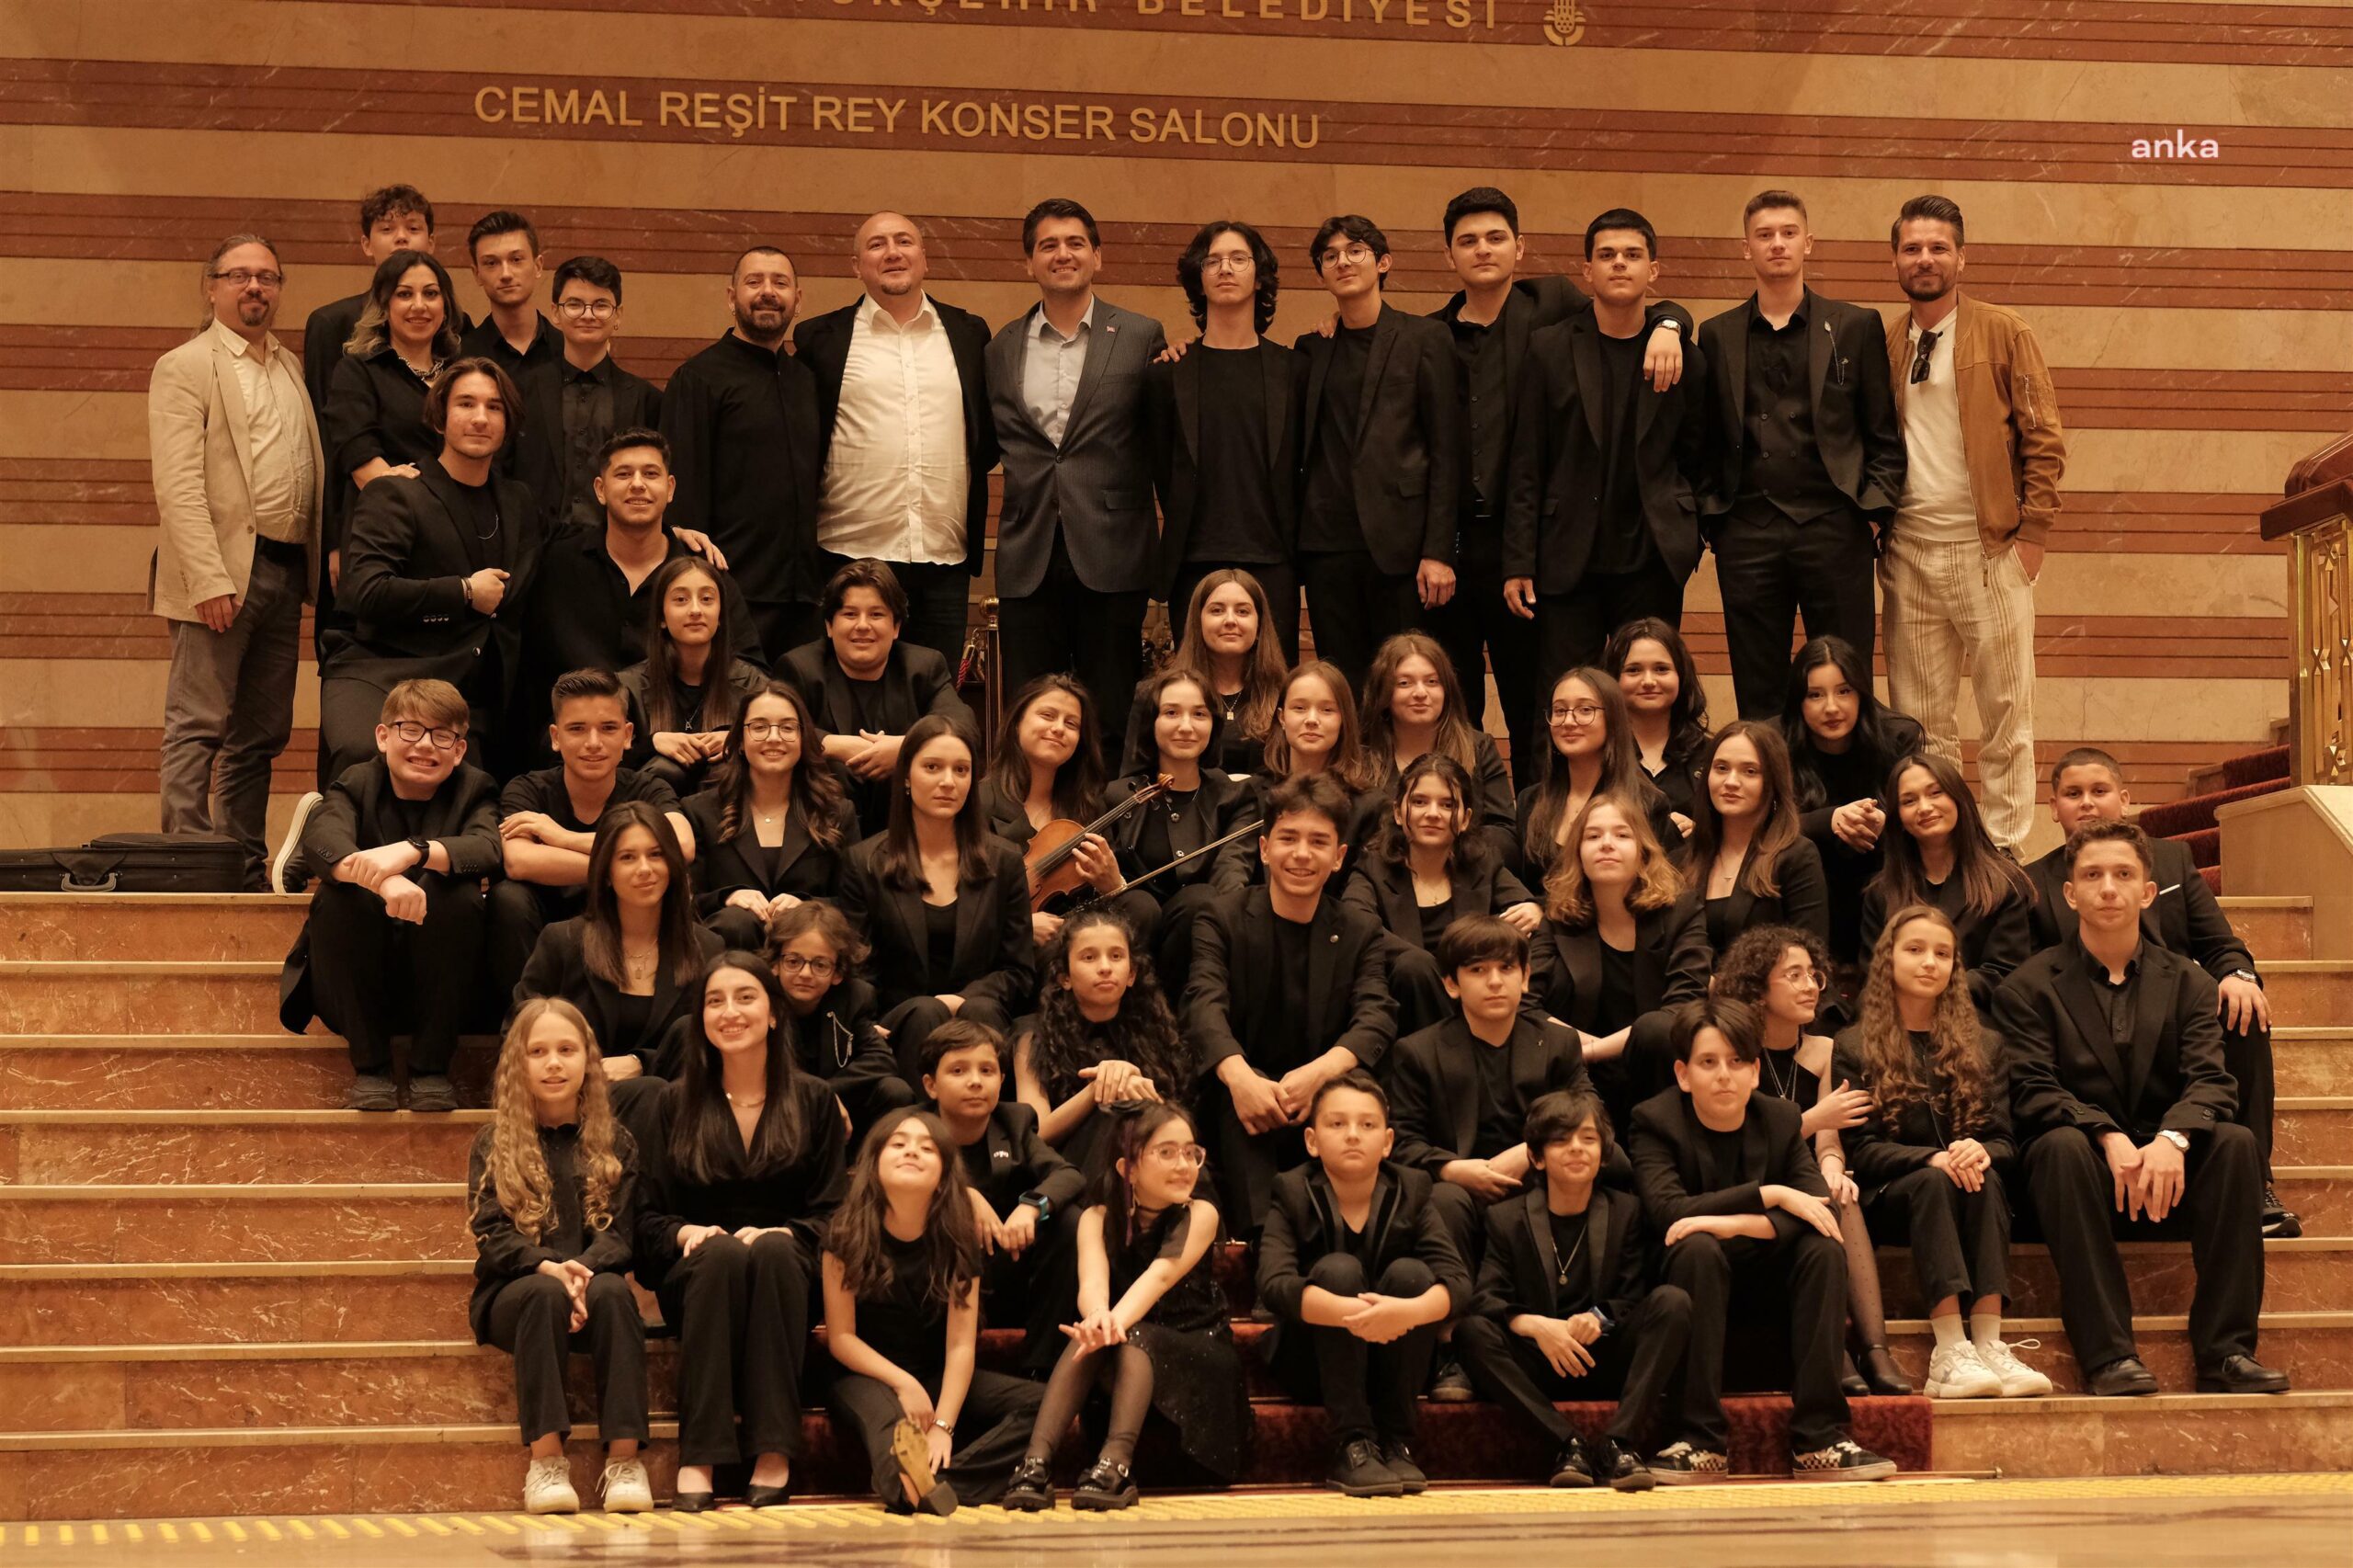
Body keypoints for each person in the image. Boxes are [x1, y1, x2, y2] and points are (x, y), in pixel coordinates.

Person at [1995, 821, 2289, 1399]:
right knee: (2057, 1145)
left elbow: (2212, 1081)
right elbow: (2032, 1088)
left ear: (2148, 892)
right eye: (2092, 875)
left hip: (2166, 1180)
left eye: (2123, 874)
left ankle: (2226, 1352)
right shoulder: (2027, 987)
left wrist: (2172, 1140)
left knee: (2235, 1143)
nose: (2108, 887)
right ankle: (2108, 1356)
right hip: (2080, 1181)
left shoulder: (2191, 982)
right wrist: (2107, 1136)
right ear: (2069, 894)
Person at [1434, 189, 1688, 782]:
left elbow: (1636, 296)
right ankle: (1533, 818)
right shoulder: (1441, 335)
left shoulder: (1550, 305)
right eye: (1468, 241)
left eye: (1495, 238)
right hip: (1530, 552)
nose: (1483, 250)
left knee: (1629, 695)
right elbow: (1528, 458)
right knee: (1543, 702)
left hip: (1625, 548)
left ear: (1520, 247)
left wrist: (1672, 321)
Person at [1630, 997, 1898, 1483]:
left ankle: (1820, 1438)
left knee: (1822, 1248)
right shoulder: (1655, 1121)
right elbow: (1668, 1213)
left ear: (1755, 1072)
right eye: (1708, 1062)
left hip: (1766, 1281)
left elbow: (1822, 1210)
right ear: (1683, 1074)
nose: (1724, 1076)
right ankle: (1698, 1439)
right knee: (1697, 1247)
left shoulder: (1778, 1117)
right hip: (1690, 1285)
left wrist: (1733, 1223)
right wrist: (1770, 1194)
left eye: (1737, 1062)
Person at [2028, 747, 2293, 1234]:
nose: (2087, 803)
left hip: (2175, 1019)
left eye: (2099, 791)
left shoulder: (2172, 860)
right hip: (2091, 1030)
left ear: (2125, 799)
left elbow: (2220, 944)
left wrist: (2238, 976)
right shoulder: (2034, 881)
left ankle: (2254, 1182)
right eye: (2073, 794)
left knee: (2245, 1011)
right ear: (2054, 807)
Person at [1881, 195, 2066, 853]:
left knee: (2006, 714)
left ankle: (2008, 851)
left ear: (1962, 257)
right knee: (1919, 724)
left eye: (1938, 247)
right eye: (1912, 248)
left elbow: (2044, 439)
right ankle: (1942, 855)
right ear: (1895, 259)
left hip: (1990, 551)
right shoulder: (1887, 341)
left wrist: (2032, 536)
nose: (1924, 259)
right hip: (1908, 552)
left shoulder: (2003, 331)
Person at [634, 953, 850, 1508]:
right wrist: (687, 1234)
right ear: (701, 1019)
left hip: (786, 1274)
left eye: (745, 997)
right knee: (721, 1255)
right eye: (715, 1001)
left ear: (774, 1013)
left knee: (774, 1252)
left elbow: (834, 1213)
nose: (730, 1011)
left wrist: (788, 1234)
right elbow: (648, 1219)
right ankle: (700, 1456)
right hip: (700, 1278)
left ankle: (773, 1452)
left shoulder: (814, 1100)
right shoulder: (672, 1102)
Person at [152, 232, 321, 888]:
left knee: (262, 734)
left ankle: (242, 867)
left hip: (283, 570)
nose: (255, 287)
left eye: (267, 277)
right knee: (198, 725)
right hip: (220, 577)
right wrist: (207, 578)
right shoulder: (185, 366)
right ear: (211, 286)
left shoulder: (289, 365)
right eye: (239, 275)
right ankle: (185, 867)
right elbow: (179, 486)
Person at [1696, 190, 1905, 720]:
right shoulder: (1716, 335)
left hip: (1835, 527)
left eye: (1788, 233)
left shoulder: (1855, 326)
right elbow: (1703, 437)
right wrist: (1715, 520)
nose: (1777, 244)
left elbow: (1882, 433)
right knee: (1758, 687)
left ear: (1808, 243)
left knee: (1846, 682)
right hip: (1747, 532)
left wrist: (1873, 514)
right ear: (1746, 248)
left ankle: (1849, 777)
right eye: (1764, 235)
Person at [1833, 906, 2050, 1399]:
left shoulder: (1985, 1045)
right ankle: (1949, 1350)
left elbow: (2005, 1140)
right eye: (1915, 950)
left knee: (1984, 1175)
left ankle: (1990, 1344)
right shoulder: (1853, 1045)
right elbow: (1861, 1151)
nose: (1930, 962)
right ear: (1888, 959)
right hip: (1890, 1200)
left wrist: (1979, 1149)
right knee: (1936, 1178)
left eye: (1943, 953)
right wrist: (1929, 1158)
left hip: (1966, 1195)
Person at [986, 199, 1168, 756]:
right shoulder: (1000, 347)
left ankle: (1110, 811)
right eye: (1048, 245)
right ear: (1029, 263)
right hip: (1028, 552)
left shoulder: (1141, 335)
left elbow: (1163, 442)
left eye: (1075, 243)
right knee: (1028, 714)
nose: (1062, 254)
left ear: (1097, 257)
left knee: (1110, 714)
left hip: (1113, 550)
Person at [1001, 1104, 1250, 1510]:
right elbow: (1093, 1284)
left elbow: (1160, 1277)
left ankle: (1115, 1465)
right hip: (1127, 1353)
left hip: (1198, 1356)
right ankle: (1034, 1465)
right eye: (1166, 1152)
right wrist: (1098, 1317)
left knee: (1123, 1335)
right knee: (1093, 1334)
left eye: (1191, 1152)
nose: (1184, 1165)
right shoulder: (1096, 1217)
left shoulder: (1201, 1213)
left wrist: (1108, 1325)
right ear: (1127, 1168)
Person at [1504, 207, 1707, 689]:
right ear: (1587, 270)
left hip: (1653, 559)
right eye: (1607, 254)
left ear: (1653, 270)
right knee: (1567, 694)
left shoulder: (1684, 358)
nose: (1619, 263)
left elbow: (1700, 455)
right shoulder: (1549, 349)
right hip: (1567, 558)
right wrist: (1518, 561)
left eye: (1632, 255)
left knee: (1648, 694)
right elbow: (1527, 461)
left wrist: (1690, 531)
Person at [1385, 914, 1587, 1392]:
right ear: (1451, 985)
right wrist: (1454, 1169)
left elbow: (1588, 1115)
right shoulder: (1418, 1051)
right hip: (1460, 1191)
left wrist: (1530, 1152)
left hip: (1536, 1178)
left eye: (1505, 968)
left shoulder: (1558, 1042)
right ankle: (1452, 1347)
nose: (1494, 981)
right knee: (1443, 1200)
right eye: (1477, 970)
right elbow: (1402, 1141)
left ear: (1525, 977)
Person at [1186, 773, 1397, 1231]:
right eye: (1288, 838)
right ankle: (1264, 1244)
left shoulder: (1359, 929)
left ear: (1338, 857)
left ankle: (1346, 1235)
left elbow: (1376, 1015)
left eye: (1318, 842)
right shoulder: (1221, 918)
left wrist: (1321, 1073)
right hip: (1242, 1095)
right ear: (1264, 849)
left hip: (1322, 1088)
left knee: (1356, 1096)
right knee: (1234, 1099)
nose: (1302, 854)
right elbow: (1203, 1005)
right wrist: (1240, 1077)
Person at [466, 998, 652, 1514]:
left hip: (595, 1287)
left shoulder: (616, 1142)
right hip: (516, 1295)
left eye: (567, 1050)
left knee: (615, 1293)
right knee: (544, 1293)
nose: (553, 1063)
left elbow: (621, 1235)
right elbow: (492, 1235)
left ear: (588, 1061)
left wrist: (582, 1273)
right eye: (538, 1051)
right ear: (518, 1065)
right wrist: (550, 1266)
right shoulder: (493, 1143)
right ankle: (546, 1462)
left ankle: (625, 1461)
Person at [318, 355, 540, 782]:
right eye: (466, 404)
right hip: (389, 675)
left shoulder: (519, 501)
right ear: (440, 418)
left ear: (508, 424)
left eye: (494, 407)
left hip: (480, 691)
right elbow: (365, 591)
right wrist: (463, 592)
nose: (480, 418)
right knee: (369, 759)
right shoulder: (397, 492)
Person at [279, 678, 498, 1112]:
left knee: (457, 895)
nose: (425, 745)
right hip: (357, 981)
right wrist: (383, 882)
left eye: (442, 736)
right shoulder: (356, 781)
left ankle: (431, 1068)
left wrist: (412, 852)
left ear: (459, 750)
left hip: (443, 986)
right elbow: (322, 842)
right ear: (383, 737)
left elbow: (488, 848)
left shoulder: (476, 788)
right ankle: (370, 1067)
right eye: (410, 730)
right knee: (338, 898)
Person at [1455, 1089, 1688, 1491]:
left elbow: (1632, 1294)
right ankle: (1567, 1444)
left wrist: (1598, 1318)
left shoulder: (1627, 1211)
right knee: (1470, 1332)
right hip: (1539, 1361)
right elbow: (1487, 1297)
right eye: (1561, 1140)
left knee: (1673, 1302)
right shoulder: (1505, 1218)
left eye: (1588, 1138)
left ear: (1604, 1154)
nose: (1577, 1148)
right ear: (1537, 1158)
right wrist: (1538, 1326)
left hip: (1605, 1354)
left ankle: (1618, 1443)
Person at [794, 210, 997, 668]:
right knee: (846, 693)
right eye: (877, 244)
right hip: (847, 553)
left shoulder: (969, 334)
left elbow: (985, 438)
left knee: (933, 695)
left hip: (943, 556)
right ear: (856, 266)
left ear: (924, 258)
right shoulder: (820, 339)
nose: (892, 253)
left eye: (904, 242)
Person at [819, 1106, 1045, 1514]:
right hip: (865, 1375)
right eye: (898, 1144)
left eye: (927, 1148)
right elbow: (842, 1338)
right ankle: (907, 1486)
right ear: (874, 1164)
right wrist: (903, 1383)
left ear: (943, 1174)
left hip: (936, 1373)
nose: (912, 1152)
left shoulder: (958, 1239)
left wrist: (943, 1426)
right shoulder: (845, 1234)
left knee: (1045, 1404)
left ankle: (942, 1483)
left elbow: (960, 1346)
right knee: (892, 1425)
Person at [1711, 925, 1904, 1396]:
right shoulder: (1734, 1055)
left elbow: (1829, 1143)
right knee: (1816, 1200)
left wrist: (1834, 1167)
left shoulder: (1825, 1049)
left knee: (1842, 1195)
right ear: (1758, 988)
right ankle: (1833, 1351)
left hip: (1804, 1178)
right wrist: (1814, 1119)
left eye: (1814, 975)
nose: (1810, 986)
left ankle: (1875, 1350)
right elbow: (1743, 1145)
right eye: (1793, 975)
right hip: (1749, 1182)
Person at [1256, 1071, 1467, 1496]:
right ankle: (1352, 1443)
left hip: (1393, 1360)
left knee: (1413, 1275)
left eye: (1367, 1125)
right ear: (1312, 1141)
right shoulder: (1292, 1189)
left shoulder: (1412, 1187)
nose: (1353, 1135)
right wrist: (1357, 1315)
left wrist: (1404, 1312)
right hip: (1314, 1363)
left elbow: (1458, 1281)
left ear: (1387, 1142)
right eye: (1337, 1124)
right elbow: (1273, 1284)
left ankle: (1395, 1440)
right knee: (1338, 1270)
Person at [1291, 214, 1461, 690]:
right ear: (1321, 275)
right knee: (1341, 685)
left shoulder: (1425, 338)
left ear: (1383, 262)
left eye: (1355, 251)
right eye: (1330, 256)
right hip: (1327, 546)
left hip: (1402, 547)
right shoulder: (1311, 349)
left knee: (1404, 682)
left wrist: (1439, 551)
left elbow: (1447, 451)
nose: (1342, 262)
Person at [515, 428, 747, 752]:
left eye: (650, 474)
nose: (637, 484)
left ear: (670, 489)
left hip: (685, 754)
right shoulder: (556, 565)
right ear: (600, 489)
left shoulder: (703, 572)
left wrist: (732, 734)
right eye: (623, 474)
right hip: (574, 751)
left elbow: (748, 670)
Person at [835, 714, 1035, 1085]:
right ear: (906, 777)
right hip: (902, 1020)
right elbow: (859, 970)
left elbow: (1018, 970)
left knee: (979, 1010)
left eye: (961, 770)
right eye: (932, 767)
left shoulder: (1005, 860)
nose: (948, 781)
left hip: (981, 1014)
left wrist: (960, 1000)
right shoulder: (864, 862)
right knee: (926, 1012)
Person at [1147, 220, 1302, 661]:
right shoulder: (1167, 374)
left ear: (1260, 276)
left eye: (1238, 259)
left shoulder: (1295, 371)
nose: (1225, 269)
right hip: (1193, 560)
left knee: (1275, 689)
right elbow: (1160, 467)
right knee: (1194, 692)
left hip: (1274, 559)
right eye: (1212, 261)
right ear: (1198, 278)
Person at [490, 668, 691, 1007]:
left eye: (608, 728)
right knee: (508, 899)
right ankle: (528, 1020)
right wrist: (624, 866)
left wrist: (563, 837)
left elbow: (681, 846)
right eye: (577, 729)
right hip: (546, 921)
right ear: (555, 737)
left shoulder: (649, 788)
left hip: (629, 918)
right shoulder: (528, 789)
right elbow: (519, 861)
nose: (594, 743)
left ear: (628, 735)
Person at [662, 245, 824, 663]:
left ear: (798, 300)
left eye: (780, 283)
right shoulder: (698, 378)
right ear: (731, 297)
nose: (768, 291)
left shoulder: (806, 381)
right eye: (754, 282)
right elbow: (682, 495)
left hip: (805, 597)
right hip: (732, 591)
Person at [1529, 797, 1710, 1134]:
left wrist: (1594, 1050)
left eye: (1622, 835)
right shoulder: (1558, 916)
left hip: (1658, 1071)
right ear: (1578, 853)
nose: (1607, 844)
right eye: (1593, 836)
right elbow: (1526, 1004)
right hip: (1578, 1074)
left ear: (1644, 851)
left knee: (1656, 1029)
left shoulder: (1680, 911)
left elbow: (1681, 1007)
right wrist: (1580, 1049)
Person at [514, 801, 722, 1089]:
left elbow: (712, 1046)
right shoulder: (562, 942)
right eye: (627, 857)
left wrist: (641, 1063)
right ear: (607, 873)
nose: (645, 869)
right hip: (579, 1097)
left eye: (656, 855)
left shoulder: (707, 948)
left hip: (670, 1105)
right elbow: (519, 1034)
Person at [921, 1020, 1087, 1372]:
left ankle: (1041, 1369)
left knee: (1070, 1222)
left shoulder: (1013, 1122)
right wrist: (961, 1194)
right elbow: (878, 1187)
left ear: (1001, 1080)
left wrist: (1031, 1207)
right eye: (958, 1070)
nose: (975, 1081)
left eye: (987, 1070)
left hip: (1002, 1269)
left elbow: (1067, 1174)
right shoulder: (910, 1128)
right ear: (931, 1085)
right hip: (935, 1278)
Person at [318, 250, 465, 642]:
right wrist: (407, 495)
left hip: (459, 538)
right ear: (384, 306)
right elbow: (358, 455)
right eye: (404, 294)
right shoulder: (358, 369)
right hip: (387, 538)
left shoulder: (463, 372)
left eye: (430, 294)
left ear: (446, 306)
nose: (419, 305)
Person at [1342, 755, 1540, 1032]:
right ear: (1398, 812)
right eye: (1419, 802)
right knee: (1413, 966)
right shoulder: (1372, 868)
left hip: (1477, 1002)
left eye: (1447, 804)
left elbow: (1526, 904)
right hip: (1403, 1018)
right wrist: (1427, 967)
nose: (1433, 813)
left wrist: (1535, 909)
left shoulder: (1483, 865)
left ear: (1465, 819)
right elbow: (1356, 924)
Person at [784, 557, 975, 836]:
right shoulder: (800, 668)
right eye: (850, 614)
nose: (863, 625)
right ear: (829, 625)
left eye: (876, 615)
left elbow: (963, 726)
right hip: (822, 824)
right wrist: (835, 745)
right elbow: (775, 730)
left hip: (907, 825)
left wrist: (906, 749)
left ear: (896, 627)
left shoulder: (923, 667)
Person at [1012, 907, 1195, 1182]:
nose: (1105, 967)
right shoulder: (1031, 1034)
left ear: (1131, 974)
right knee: (1111, 1108)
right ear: (1065, 977)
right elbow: (1035, 1135)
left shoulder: (1156, 1030)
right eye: (1089, 957)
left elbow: (1174, 1123)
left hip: (1148, 1167)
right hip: (1065, 1174)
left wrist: (1136, 1090)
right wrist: (1096, 1089)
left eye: (1116, 956)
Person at [1105, 669, 1256, 989]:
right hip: (1129, 939)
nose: (1186, 726)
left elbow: (1231, 871)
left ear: (1214, 724)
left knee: (1201, 899)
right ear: (1152, 722)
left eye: (1199, 714)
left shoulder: (1232, 797)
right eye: (1171, 713)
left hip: (1197, 943)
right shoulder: (1118, 796)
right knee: (1139, 905)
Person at [978, 675, 1154, 949]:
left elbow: (1099, 900)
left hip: (1075, 936)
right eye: (1047, 715)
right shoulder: (980, 802)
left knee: (1142, 906)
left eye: (1071, 724)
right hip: (1008, 943)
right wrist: (1018, 924)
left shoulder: (1090, 807)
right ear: (1017, 723)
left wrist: (1113, 884)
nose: (1058, 729)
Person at [1781, 636, 1926, 965]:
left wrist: (1888, 820)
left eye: (1844, 691)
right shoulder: (1776, 741)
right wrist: (1828, 821)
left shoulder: (1897, 736)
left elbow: (1922, 806)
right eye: (1815, 695)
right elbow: (1758, 823)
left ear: (1862, 693)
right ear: (1798, 701)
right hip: (1805, 880)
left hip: (1883, 869)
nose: (1832, 707)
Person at [684, 679, 858, 952]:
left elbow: (853, 903)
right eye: (759, 727)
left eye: (787, 728)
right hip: (729, 960)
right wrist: (726, 898)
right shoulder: (699, 811)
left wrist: (808, 907)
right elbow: (686, 901)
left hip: (809, 959)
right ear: (740, 742)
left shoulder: (837, 812)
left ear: (803, 739)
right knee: (735, 921)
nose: (774, 737)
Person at [1859, 752, 2033, 1016]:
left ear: (1958, 799)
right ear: (1899, 817)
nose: (1924, 807)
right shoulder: (1881, 892)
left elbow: (2006, 972)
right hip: (1899, 1021)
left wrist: (1934, 987)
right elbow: (1873, 976)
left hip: (1978, 1019)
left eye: (1935, 793)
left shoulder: (2005, 882)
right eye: (1909, 801)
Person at [515, 255, 662, 535]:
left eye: (601, 305)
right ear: (555, 313)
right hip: (535, 546)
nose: (588, 315)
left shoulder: (647, 399)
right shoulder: (520, 390)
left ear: (618, 315)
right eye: (574, 304)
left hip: (618, 546)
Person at [1217, 661, 1386, 891]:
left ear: (1343, 719)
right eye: (1300, 708)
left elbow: (1366, 886)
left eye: (1327, 710)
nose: (1312, 720)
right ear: (1282, 717)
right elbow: (1231, 867)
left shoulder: (1370, 806)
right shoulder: (1252, 792)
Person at [762, 901, 919, 1139]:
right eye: (793, 961)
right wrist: (814, 1094)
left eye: (820, 965)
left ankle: (871, 1158)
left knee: (894, 1090)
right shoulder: (760, 998)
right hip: (777, 1104)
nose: (805, 973)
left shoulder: (854, 997)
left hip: (839, 1105)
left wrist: (826, 1092)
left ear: (837, 973)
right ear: (775, 964)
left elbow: (881, 1060)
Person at [1677, 721, 1830, 954]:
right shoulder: (1680, 860)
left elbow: (1811, 954)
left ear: (1773, 782)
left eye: (1750, 771)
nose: (1731, 782)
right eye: (1721, 768)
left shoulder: (1797, 857)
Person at [617, 555, 767, 796]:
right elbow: (595, 754)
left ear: (720, 616)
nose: (695, 610)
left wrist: (742, 740)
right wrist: (652, 744)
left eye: (707, 599)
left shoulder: (752, 684)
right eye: (681, 600)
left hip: (728, 811)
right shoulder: (627, 687)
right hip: (650, 812)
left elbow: (791, 741)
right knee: (664, 768)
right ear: (662, 618)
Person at [1120, 568, 1289, 780]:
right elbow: (1132, 783)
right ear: (1198, 622)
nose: (1230, 620)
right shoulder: (1154, 693)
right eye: (1217, 610)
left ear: (1259, 624)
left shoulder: (1286, 695)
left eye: (1242, 611)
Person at [1515, 666, 1677, 882]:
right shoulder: (1530, 800)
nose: (1568, 721)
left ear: (1613, 719)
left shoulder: (1648, 803)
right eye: (1560, 711)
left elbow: (1659, 887)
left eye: (1585, 710)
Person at [1359, 631, 1516, 853]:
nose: (1420, 693)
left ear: (1447, 691)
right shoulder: (1361, 754)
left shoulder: (1479, 748)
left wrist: (1442, 853)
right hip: (1380, 872)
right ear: (1383, 694)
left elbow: (1506, 836)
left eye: (1432, 682)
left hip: (1465, 870)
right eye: (1404, 683)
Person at [302, 183, 446, 416]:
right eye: (387, 229)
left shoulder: (452, 321)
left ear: (431, 243)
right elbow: (321, 415)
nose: (401, 238)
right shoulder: (330, 322)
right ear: (366, 244)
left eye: (413, 228)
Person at [1607, 618, 1708, 833]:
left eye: (1661, 669)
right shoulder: (1596, 753)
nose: (1649, 681)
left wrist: (1702, 836)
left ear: (1681, 676)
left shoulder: (1712, 755)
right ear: (1612, 679)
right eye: (1633, 670)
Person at [459, 210, 560, 377]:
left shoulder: (569, 353)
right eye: (491, 263)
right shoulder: (462, 359)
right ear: (477, 274)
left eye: (516, 260)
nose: (506, 274)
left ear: (538, 266)